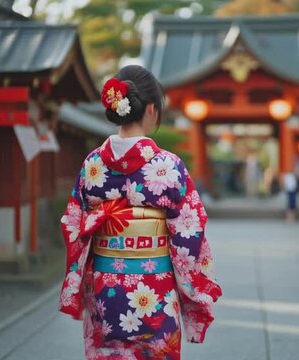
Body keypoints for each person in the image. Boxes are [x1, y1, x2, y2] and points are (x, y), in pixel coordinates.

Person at [58, 65, 222, 360]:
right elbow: (190, 233)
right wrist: (194, 289)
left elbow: (73, 223)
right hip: (154, 287)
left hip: (104, 288)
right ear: (150, 110)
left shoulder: (92, 164)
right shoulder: (169, 166)